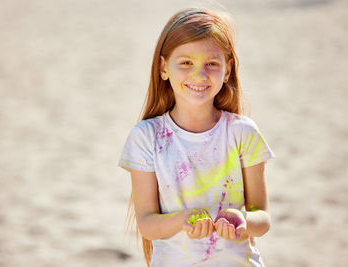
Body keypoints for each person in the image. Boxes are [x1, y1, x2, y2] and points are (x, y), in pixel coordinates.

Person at [118, 7, 275, 267]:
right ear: (163, 67)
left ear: (227, 70)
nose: (199, 75)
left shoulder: (242, 133)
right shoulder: (146, 137)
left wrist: (245, 220)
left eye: (212, 63)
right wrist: (183, 219)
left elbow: (263, 217)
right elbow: (146, 223)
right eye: (186, 62)